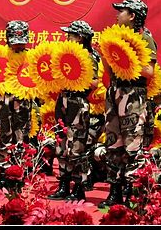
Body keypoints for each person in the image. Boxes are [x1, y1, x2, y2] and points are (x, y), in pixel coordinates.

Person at [102, 0, 157, 207]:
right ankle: (114, 191)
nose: (117, 15)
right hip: (115, 91)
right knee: (113, 143)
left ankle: (134, 194)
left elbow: (149, 71)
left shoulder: (145, 38)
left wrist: (126, 59)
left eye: (121, 11)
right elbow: (110, 71)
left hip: (134, 94)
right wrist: (109, 55)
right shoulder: (115, 37)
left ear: (132, 16)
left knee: (133, 145)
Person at [49, 20, 100, 201]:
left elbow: (95, 82)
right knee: (61, 144)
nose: (67, 37)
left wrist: (77, 77)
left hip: (78, 102)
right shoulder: (65, 54)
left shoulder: (89, 57)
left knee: (76, 147)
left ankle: (79, 188)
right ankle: (63, 185)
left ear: (79, 37)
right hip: (63, 100)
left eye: (70, 34)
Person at [0, 20, 33, 190]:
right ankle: (3, 174)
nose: (18, 46)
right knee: (2, 135)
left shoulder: (31, 58)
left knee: (21, 138)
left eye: (21, 42)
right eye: (15, 42)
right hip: (3, 103)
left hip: (22, 105)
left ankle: (18, 176)